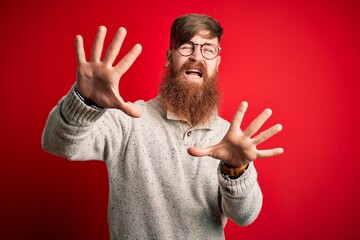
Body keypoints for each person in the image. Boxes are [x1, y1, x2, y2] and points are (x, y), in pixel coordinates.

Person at [42, 13, 283, 239]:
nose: (197, 57)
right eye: (186, 46)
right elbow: (57, 143)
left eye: (208, 49)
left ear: (217, 63)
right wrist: (85, 101)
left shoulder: (228, 139)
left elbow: (245, 216)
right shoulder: (128, 120)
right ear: (170, 57)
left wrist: (236, 169)